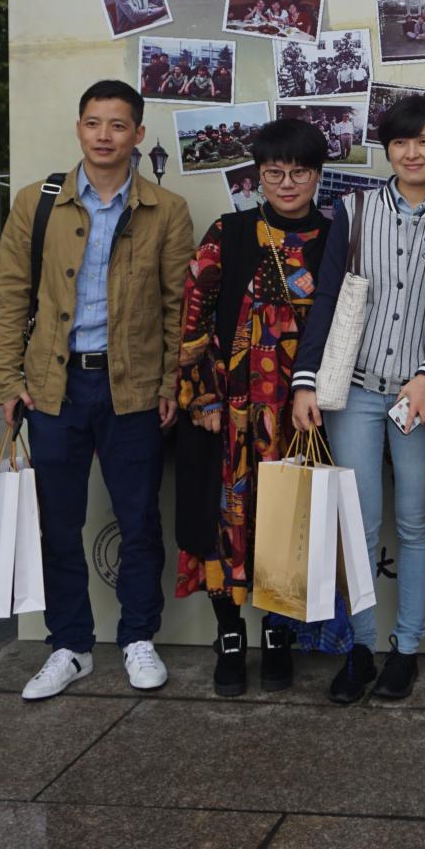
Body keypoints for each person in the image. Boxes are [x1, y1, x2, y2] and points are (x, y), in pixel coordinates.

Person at [0, 81, 195, 701]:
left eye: (118, 125)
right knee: (58, 523)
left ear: (138, 134)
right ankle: (69, 646)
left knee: (139, 521)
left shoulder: (166, 209)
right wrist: (8, 379)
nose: (105, 135)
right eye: (94, 123)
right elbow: (10, 298)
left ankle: (138, 637)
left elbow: (179, 308)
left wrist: (169, 382)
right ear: (79, 128)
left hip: (133, 388)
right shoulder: (37, 203)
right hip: (55, 387)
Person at [290, 95, 425, 704]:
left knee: (417, 522)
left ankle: (405, 650)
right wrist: (305, 379)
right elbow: (328, 297)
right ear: (387, 149)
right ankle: (360, 648)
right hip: (354, 390)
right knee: (357, 524)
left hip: (421, 395)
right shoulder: (353, 211)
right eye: (401, 142)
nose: (412, 153)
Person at [174, 118, 336, 696]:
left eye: (299, 173)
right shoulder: (231, 231)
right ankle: (229, 636)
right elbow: (194, 315)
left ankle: (278, 634)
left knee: (287, 521)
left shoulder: (334, 239)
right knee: (224, 521)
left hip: (301, 413)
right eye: (274, 173)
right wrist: (202, 396)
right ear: (258, 177)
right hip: (231, 411)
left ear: (318, 175)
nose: (287, 184)